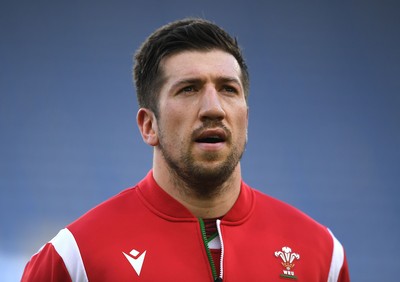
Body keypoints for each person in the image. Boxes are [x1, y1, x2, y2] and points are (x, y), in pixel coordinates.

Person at [21, 18, 350, 281]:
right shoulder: (75, 258)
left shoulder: (321, 255)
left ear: (245, 119)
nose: (213, 108)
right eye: (189, 89)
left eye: (228, 89)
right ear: (149, 126)